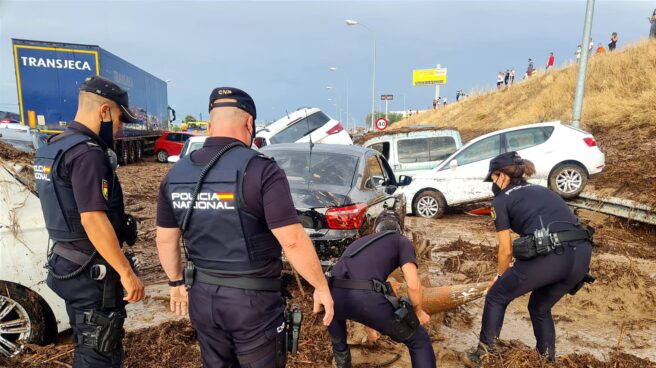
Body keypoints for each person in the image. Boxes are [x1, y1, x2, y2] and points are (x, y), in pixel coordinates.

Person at [155, 87, 334, 367]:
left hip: (203, 300)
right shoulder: (261, 170)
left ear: (211, 124)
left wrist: (176, 283)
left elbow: (165, 240)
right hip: (253, 304)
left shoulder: (176, 174)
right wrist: (320, 285)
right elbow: (293, 241)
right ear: (249, 123)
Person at [35, 75, 144, 367]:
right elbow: (93, 219)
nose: (120, 128)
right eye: (120, 118)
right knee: (100, 352)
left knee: (87, 344)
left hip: (67, 263)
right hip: (90, 270)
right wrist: (125, 272)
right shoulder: (87, 153)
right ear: (105, 111)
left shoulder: (53, 146)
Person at [463, 152, 594, 367]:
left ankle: (483, 355)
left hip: (552, 256)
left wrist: (499, 276)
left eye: (493, 178)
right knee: (540, 306)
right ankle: (547, 359)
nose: (492, 184)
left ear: (500, 175)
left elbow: (505, 250)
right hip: (581, 256)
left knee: (497, 296)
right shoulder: (543, 190)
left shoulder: (501, 200)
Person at [327, 226, 436, 368]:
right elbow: (414, 285)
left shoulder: (362, 243)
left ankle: (342, 364)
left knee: (339, 344)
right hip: (364, 298)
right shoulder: (401, 241)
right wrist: (418, 313)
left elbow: (358, 282)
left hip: (331, 296)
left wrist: (370, 328)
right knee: (419, 341)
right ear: (399, 230)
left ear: (377, 230)